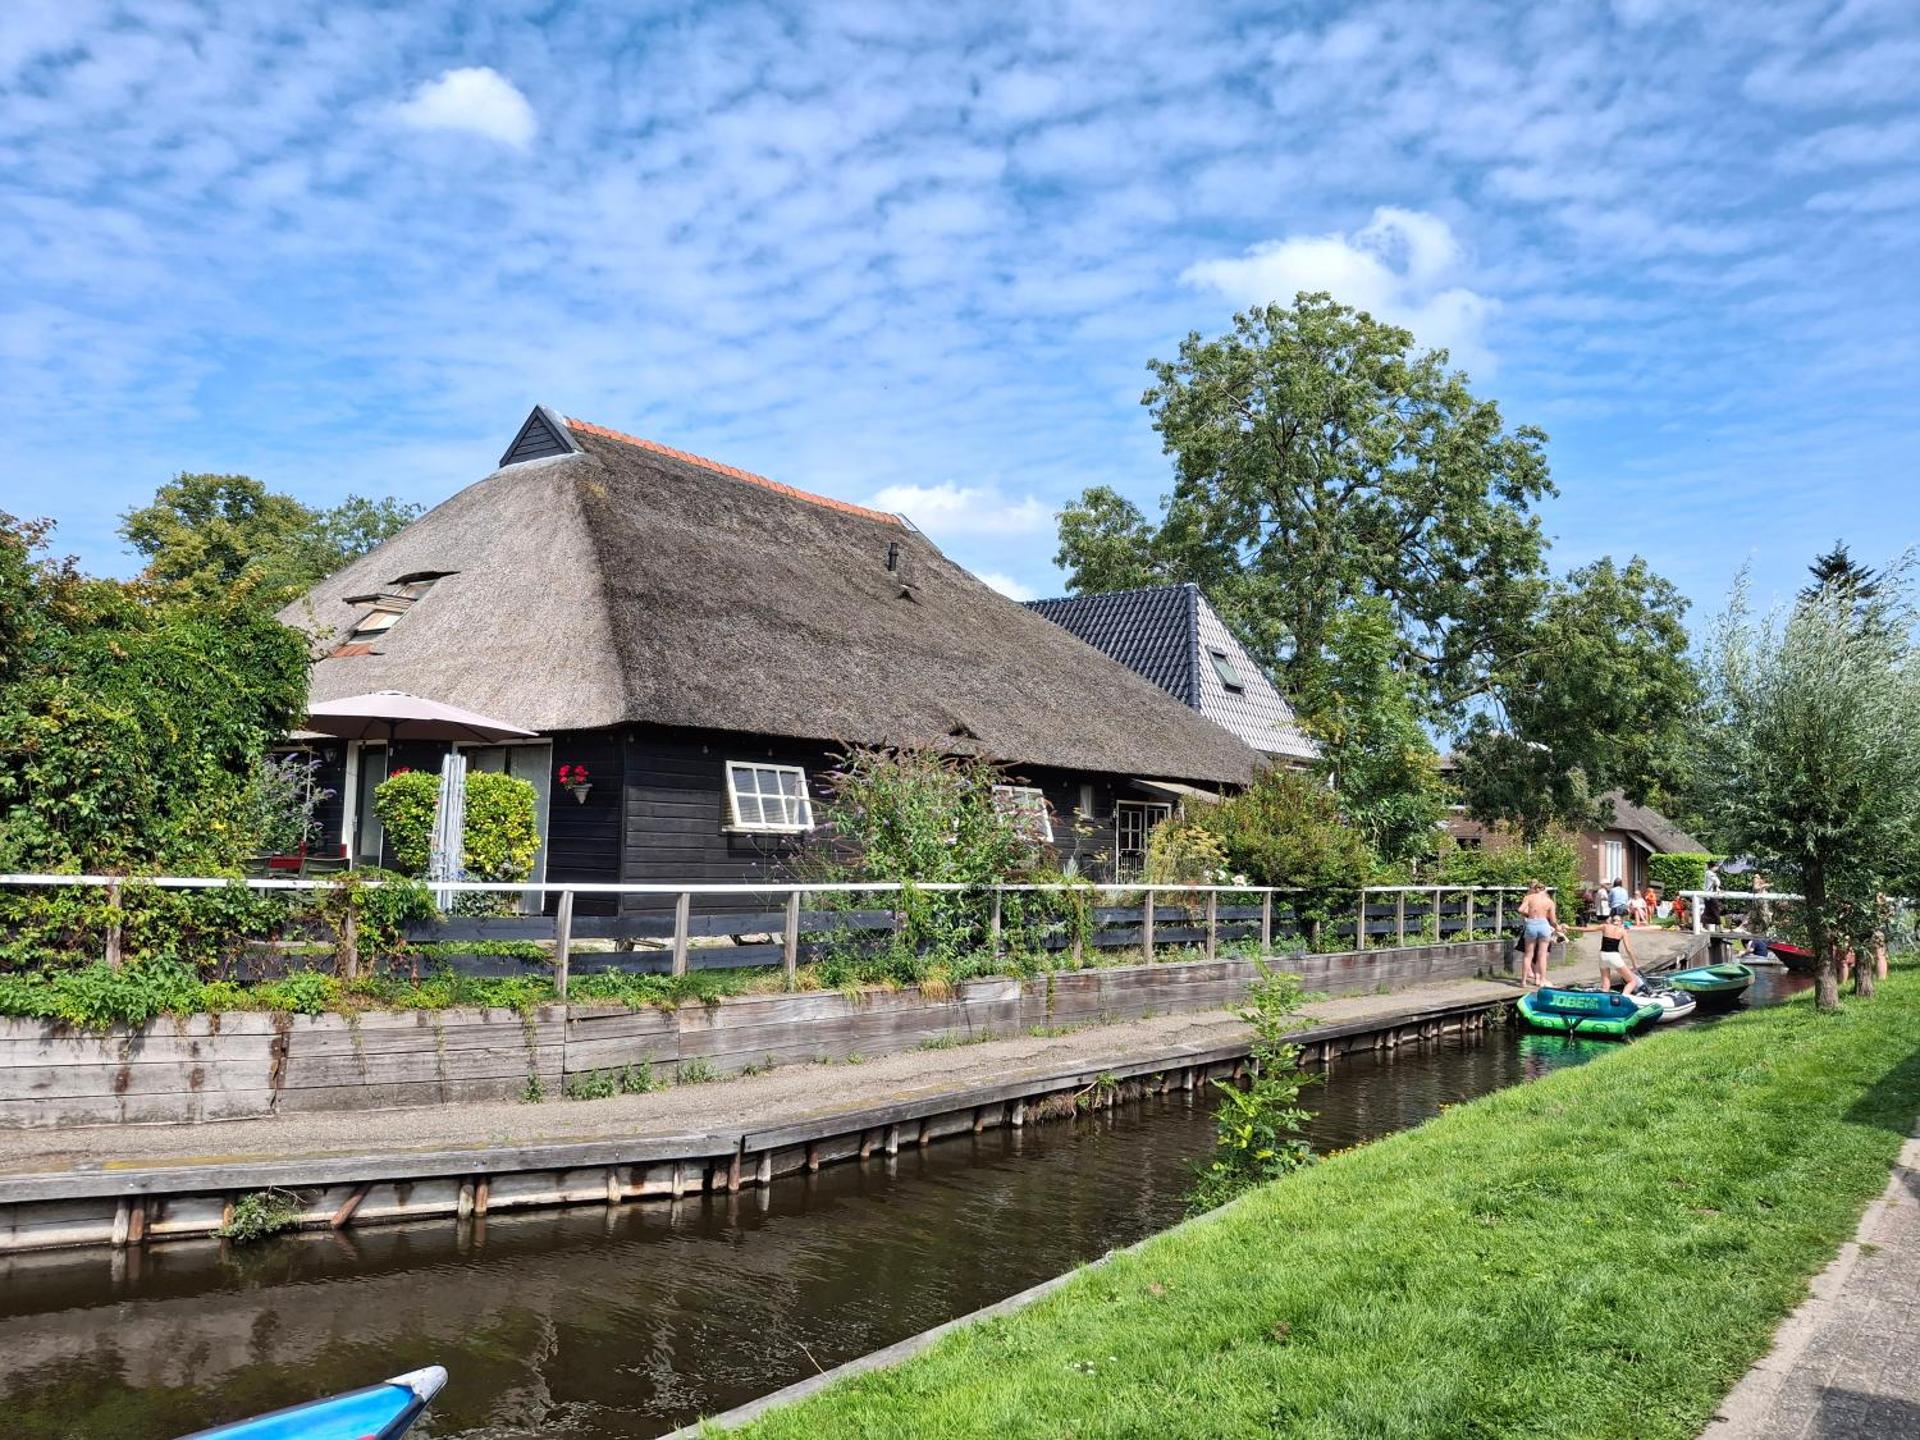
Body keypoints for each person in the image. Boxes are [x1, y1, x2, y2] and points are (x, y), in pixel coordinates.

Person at [1517, 881, 1560, 989]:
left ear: (1535, 889)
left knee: (1528, 954)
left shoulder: (1529, 897)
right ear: (1544, 890)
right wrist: (1557, 927)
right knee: (1542, 955)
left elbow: (1520, 909)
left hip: (1531, 924)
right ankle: (1542, 980)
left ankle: (1523, 982)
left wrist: (1529, 914)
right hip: (1543, 924)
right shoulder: (1549, 901)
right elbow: (1553, 920)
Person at [1592, 911, 1645, 996]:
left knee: (1605, 986)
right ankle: (1624, 997)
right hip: (1614, 957)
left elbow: (1585, 929)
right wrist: (1634, 964)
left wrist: (1568, 927)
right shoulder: (1622, 931)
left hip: (1602, 956)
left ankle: (1603, 1000)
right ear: (1621, 923)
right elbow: (1628, 950)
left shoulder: (1605, 927)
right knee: (1632, 981)